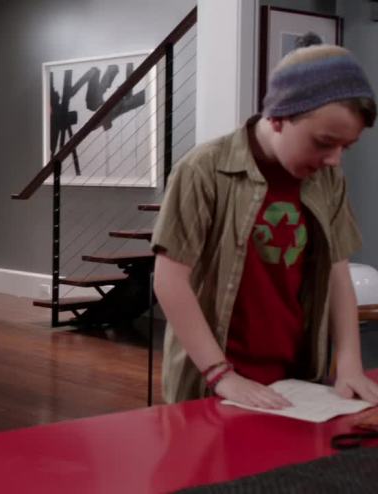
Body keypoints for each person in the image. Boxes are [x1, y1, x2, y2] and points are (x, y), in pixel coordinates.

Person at [152, 44, 378, 408]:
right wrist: (221, 375)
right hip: (213, 383)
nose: (334, 160)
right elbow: (169, 280)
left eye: (346, 147)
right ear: (277, 118)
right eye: (324, 142)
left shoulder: (328, 179)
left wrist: (350, 363)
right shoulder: (202, 170)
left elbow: (338, 272)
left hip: (298, 379)